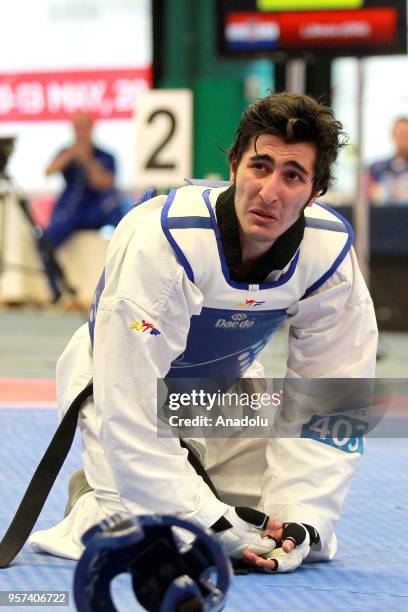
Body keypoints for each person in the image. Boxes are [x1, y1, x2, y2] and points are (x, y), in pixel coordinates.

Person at [29, 93, 378, 573]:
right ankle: (99, 494)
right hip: (119, 380)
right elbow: (128, 400)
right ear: (234, 166)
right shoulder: (166, 241)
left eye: (293, 175)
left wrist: (304, 518)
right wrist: (205, 524)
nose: (270, 191)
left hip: (226, 387)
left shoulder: (329, 255)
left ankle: (181, 482)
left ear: (315, 191)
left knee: (273, 530)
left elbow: (334, 393)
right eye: (260, 166)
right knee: (159, 538)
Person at [44, 112, 123, 248]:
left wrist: (87, 161)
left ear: (91, 128)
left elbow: (106, 183)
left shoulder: (105, 155)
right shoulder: (66, 153)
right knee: (53, 233)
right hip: (71, 210)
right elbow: (48, 172)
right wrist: (70, 155)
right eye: (77, 127)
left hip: (95, 209)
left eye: (84, 127)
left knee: (113, 203)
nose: (81, 131)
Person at [368, 116, 408, 205]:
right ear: (393, 135)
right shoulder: (377, 167)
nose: (403, 139)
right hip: (384, 215)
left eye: (405, 134)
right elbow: (368, 194)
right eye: (400, 134)